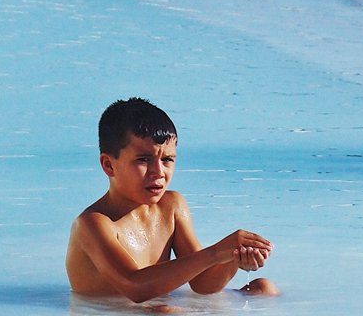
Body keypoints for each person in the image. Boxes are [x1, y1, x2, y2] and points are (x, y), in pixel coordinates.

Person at [65, 97, 277, 304]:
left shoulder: (171, 206)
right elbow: (135, 287)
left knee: (263, 288)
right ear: (109, 165)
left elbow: (203, 285)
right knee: (165, 311)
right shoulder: (93, 224)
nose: (158, 172)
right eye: (144, 160)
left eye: (167, 160)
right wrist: (214, 253)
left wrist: (233, 257)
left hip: (154, 313)